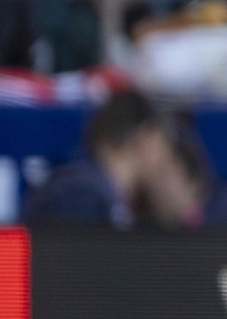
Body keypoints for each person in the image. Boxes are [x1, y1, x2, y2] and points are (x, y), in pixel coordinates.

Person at [21, 89, 174, 227]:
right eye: (162, 143)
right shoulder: (83, 195)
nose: (164, 157)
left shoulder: (97, 191)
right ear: (146, 138)